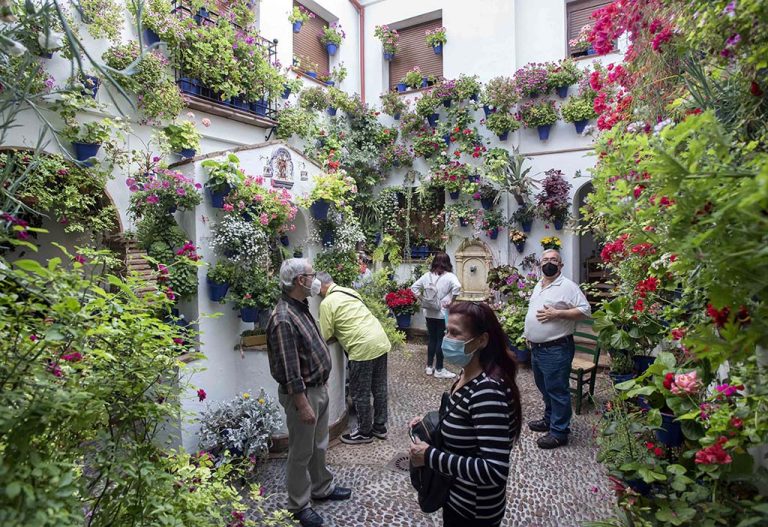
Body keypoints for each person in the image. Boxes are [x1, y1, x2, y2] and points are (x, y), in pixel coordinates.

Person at [408, 301, 522, 527]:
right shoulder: (466, 374)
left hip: (473, 512)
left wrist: (430, 456)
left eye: (455, 333)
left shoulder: (488, 391)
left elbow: (494, 470)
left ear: (481, 340)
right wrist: (431, 423)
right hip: (454, 498)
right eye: (447, 331)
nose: (446, 338)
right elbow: (466, 417)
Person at [266, 259, 352, 527]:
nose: (314, 278)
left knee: (319, 445)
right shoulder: (283, 318)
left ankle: (321, 488)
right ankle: (298, 505)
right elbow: (291, 371)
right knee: (301, 451)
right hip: (302, 396)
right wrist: (302, 404)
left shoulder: (300, 307)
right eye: (310, 274)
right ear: (298, 281)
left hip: (317, 389)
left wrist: (321, 382)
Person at [523, 249, 591, 449]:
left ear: (561, 265)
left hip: (556, 348)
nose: (549, 262)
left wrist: (558, 314)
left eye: (554, 260)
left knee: (557, 390)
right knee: (545, 388)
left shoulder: (567, 286)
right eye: (545, 259)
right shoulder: (539, 284)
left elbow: (585, 311)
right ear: (540, 264)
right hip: (537, 349)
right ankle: (549, 420)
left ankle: (559, 432)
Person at [316, 271, 391, 445]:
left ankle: (364, 432)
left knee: (359, 392)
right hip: (379, 339)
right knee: (379, 387)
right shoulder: (349, 291)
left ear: (321, 287)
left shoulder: (327, 303)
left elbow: (325, 335)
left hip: (362, 348)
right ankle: (380, 427)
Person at [410, 252, 462, 379]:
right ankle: (439, 368)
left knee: (432, 338)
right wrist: (452, 301)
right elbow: (458, 287)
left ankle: (429, 367)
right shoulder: (450, 276)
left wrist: (422, 299)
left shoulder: (427, 275)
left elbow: (413, 287)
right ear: (447, 263)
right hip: (441, 312)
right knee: (440, 339)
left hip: (428, 312)